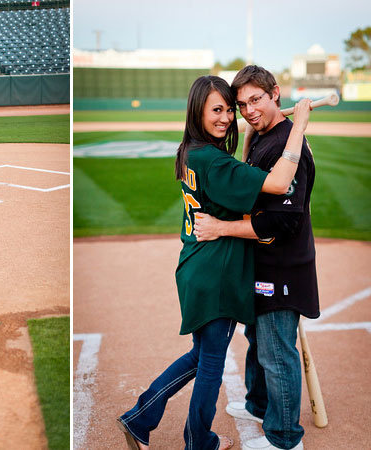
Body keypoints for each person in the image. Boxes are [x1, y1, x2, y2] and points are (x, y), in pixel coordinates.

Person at [115, 75, 312, 450]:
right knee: (210, 364)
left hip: (196, 265)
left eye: (229, 109)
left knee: (199, 355)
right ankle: (198, 441)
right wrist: (299, 124)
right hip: (217, 273)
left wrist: (250, 132)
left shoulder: (193, 151)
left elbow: (232, 168)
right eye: (216, 111)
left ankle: (141, 417)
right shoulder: (215, 162)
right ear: (198, 114)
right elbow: (278, 181)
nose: (225, 118)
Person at [193, 65, 320, 450]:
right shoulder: (266, 137)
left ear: (275, 93)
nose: (248, 110)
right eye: (241, 104)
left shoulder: (288, 146)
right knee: (258, 339)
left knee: (276, 351)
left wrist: (221, 228)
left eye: (256, 100)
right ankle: (258, 404)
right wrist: (259, 128)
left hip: (283, 267)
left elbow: (280, 221)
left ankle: (284, 438)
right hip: (261, 264)